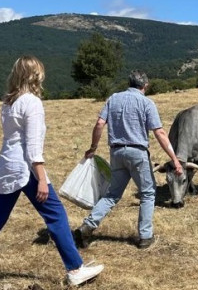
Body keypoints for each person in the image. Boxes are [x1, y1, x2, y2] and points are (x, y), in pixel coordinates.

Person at [0, 55, 103, 290]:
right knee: (56, 215)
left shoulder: (8, 102)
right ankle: (75, 269)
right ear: (36, 75)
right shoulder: (32, 103)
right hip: (26, 170)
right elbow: (33, 147)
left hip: (7, 166)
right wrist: (42, 179)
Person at [75, 70, 183, 249]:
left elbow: (100, 124)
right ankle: (145, 236)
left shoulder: (113, 98)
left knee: (111, 195)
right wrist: (175, 160)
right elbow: (160, 132)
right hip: (137, 153)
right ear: (145, 86)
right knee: (148, 193)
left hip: (116, 153)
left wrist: (93, 148)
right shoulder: (147, 103)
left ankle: (87, 226)